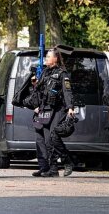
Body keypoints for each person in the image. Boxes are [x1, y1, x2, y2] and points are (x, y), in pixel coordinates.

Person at [32, 48, 75, 177]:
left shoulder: (62, 73)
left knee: (53, 136)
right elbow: (39, 91)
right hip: (45, 108)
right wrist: (35, 85)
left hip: (58, 108)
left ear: (55, 58)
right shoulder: (45, 72)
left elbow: (67, 91)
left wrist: (70, 107)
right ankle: (52, 168)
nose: (46, 59)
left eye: (48, 56)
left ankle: (68, 161)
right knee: (44, 140)